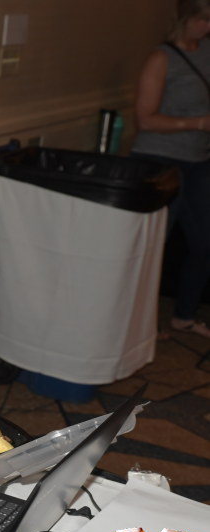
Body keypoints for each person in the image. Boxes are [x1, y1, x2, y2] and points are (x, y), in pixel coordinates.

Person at [131, 0, 210, 338]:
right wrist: (199, 123)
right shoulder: (161, 58)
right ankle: (140, 324)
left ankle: (185, 315)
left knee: (204, 242)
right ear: (186, 18)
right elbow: (146, 120)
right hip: (161, 161)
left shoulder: (206, 52)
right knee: (153, 246)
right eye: (203, 20)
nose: (207, 27)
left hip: (199, 161)